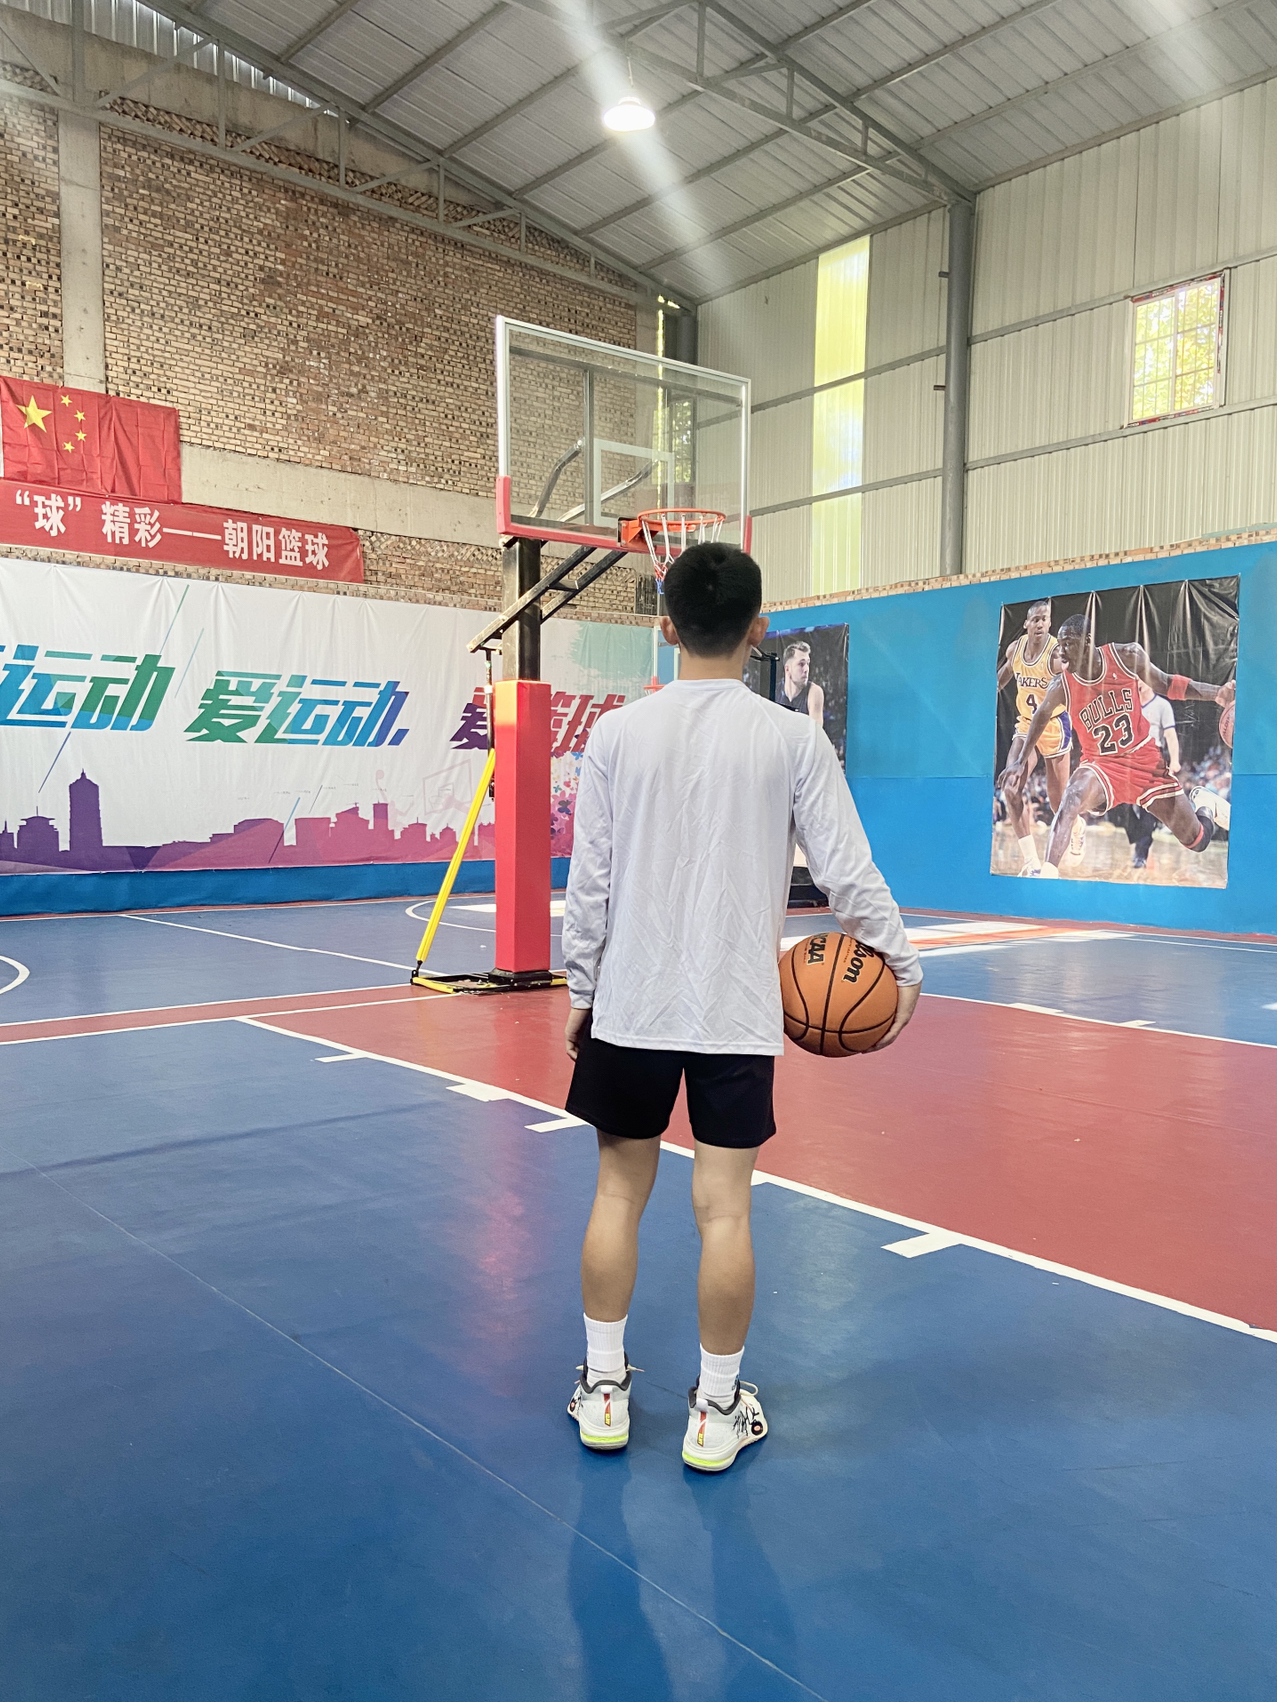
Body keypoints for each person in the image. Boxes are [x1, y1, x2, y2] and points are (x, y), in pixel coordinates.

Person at [561, 542, 921, 1473]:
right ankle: (716, 1410)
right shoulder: (791, 738)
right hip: (735, 1008)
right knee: (724, 1212)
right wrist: (900, 964)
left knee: (616, 1194)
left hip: (630, 1004)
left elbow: (590, 883)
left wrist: (580, 989)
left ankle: (603, 1390)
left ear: (665, 627)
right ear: (759, 628)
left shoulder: (615, 736)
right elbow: (845, 870)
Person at [1000, 613, 1235, 878]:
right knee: (1073, 794)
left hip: (1144, 761)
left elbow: (1167, 683)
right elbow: (1040, 716)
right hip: (1102, 766)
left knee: (1197, 840)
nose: (1061, 652)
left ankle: (1205, 804)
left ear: (1087, 641)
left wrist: (1217, 693)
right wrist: (1020, 761)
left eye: (1068, 644)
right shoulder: (1061, 685)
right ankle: (1047, 875)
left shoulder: (1126, 657)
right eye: (1060, 645)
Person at [995, 599, 1077, 872]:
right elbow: (1004, 675)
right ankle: (1031, 863)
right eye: (1036, 619)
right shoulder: (1015, 649)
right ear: (1026, 624)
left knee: (1058, 803)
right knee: (1010, 788)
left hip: (1053, 726)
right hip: (1026, 724)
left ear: (1050, 623)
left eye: (1045, 619)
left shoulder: (1055, 656)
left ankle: (1077, 826)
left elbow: (1073, 677)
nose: (1041, 624)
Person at [1129, 679, 1180, 869]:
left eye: (1142, 678)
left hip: (1152, 757)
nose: (1138, 682)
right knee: (1120, 806)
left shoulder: (1162, 705)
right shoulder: (1129, 704)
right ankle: (1137, 838)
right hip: (1128, 758)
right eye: (1136, 678)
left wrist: (1174, 760)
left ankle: (1141, 854)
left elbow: (1170, 735)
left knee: (1147, 808)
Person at [776, 640, 825, 726]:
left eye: (808, 663)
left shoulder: (814, 692)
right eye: (801, 664)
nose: (806, 669)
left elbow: (815, 732)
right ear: (787, 669)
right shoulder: (775, 691)